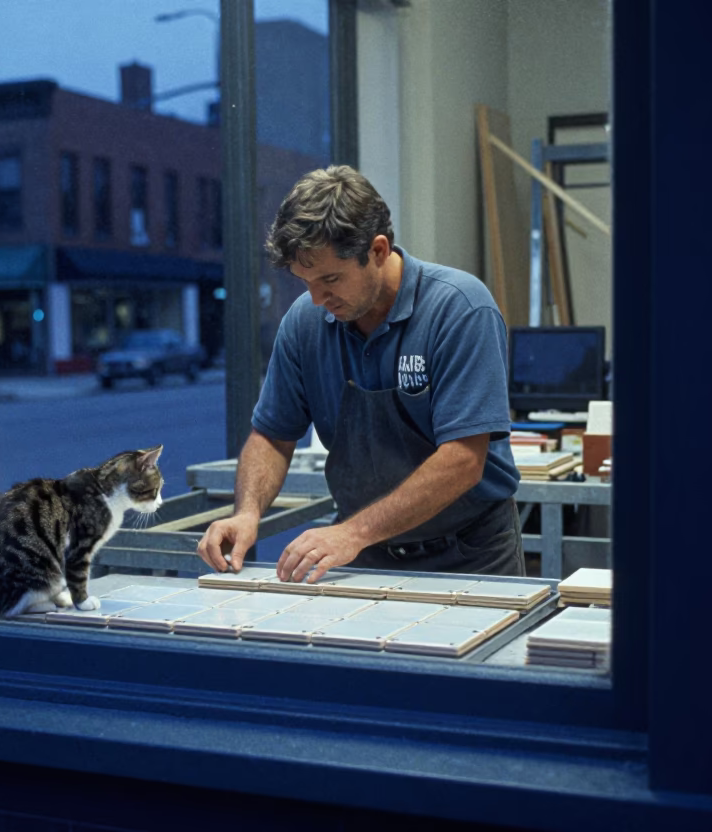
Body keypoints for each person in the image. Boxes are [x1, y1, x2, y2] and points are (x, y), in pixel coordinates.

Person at [196, 165, 524, 583]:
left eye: (331, 279)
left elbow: (463, 460)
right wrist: (247, 513)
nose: (317, 299)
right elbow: (272, 435)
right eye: (305, 282)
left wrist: (351, 532)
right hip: (365, 554)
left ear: (379, 250)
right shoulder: (305, 323)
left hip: (468, 553)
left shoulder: (459, 308)